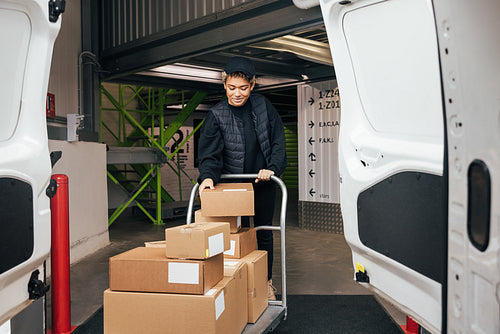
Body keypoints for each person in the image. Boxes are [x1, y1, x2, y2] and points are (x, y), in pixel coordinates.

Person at [197, 56, 287, 300]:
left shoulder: (263, 106)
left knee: (263, 231)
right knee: (230, 235)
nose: (237, 93)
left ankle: (266, 282)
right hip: (232, 186)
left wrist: (273, 168)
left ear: (253, 85)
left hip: (262, 183)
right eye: (232, 87)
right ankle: (232, 285)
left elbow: (279, 141)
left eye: (243, 88)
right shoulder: (216, 115)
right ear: (224, 84)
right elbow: (209, 154)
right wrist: (206, 177)